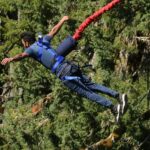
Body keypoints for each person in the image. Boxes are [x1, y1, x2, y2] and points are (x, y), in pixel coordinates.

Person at [1, 0, 127, 122]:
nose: (24, 45)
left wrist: (11, 59)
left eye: (23, 43)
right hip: (69, 66)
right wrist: (62, 20)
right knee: (91, 85)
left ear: (26, 42)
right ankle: (118, 96)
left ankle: (114, 107)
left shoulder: (30, 50)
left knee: (87, 93)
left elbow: (21, 55)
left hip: (64, 73)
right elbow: (53, 31)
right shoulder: (42, 41)